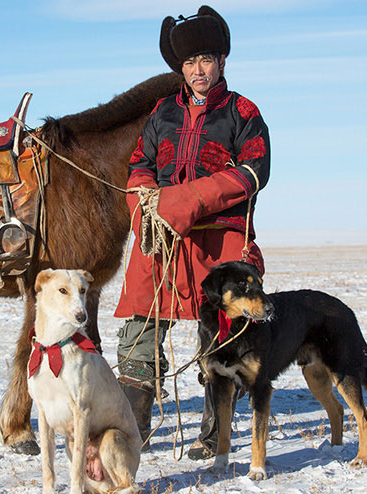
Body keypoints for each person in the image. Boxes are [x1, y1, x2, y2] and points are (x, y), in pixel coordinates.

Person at [114, 5, 271, 459]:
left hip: (219, 242)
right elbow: (140, 165)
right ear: (179, 68)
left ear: (221, 60)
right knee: (138, 337)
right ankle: (131, 438)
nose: (197, 71)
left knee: (220, 340)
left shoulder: (243, 111)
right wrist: (144, 201)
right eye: (188, 63)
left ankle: (212, 435)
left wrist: (187, 200)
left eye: (205, 60)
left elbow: (254, 170)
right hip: (161, 240)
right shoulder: (162, 112)